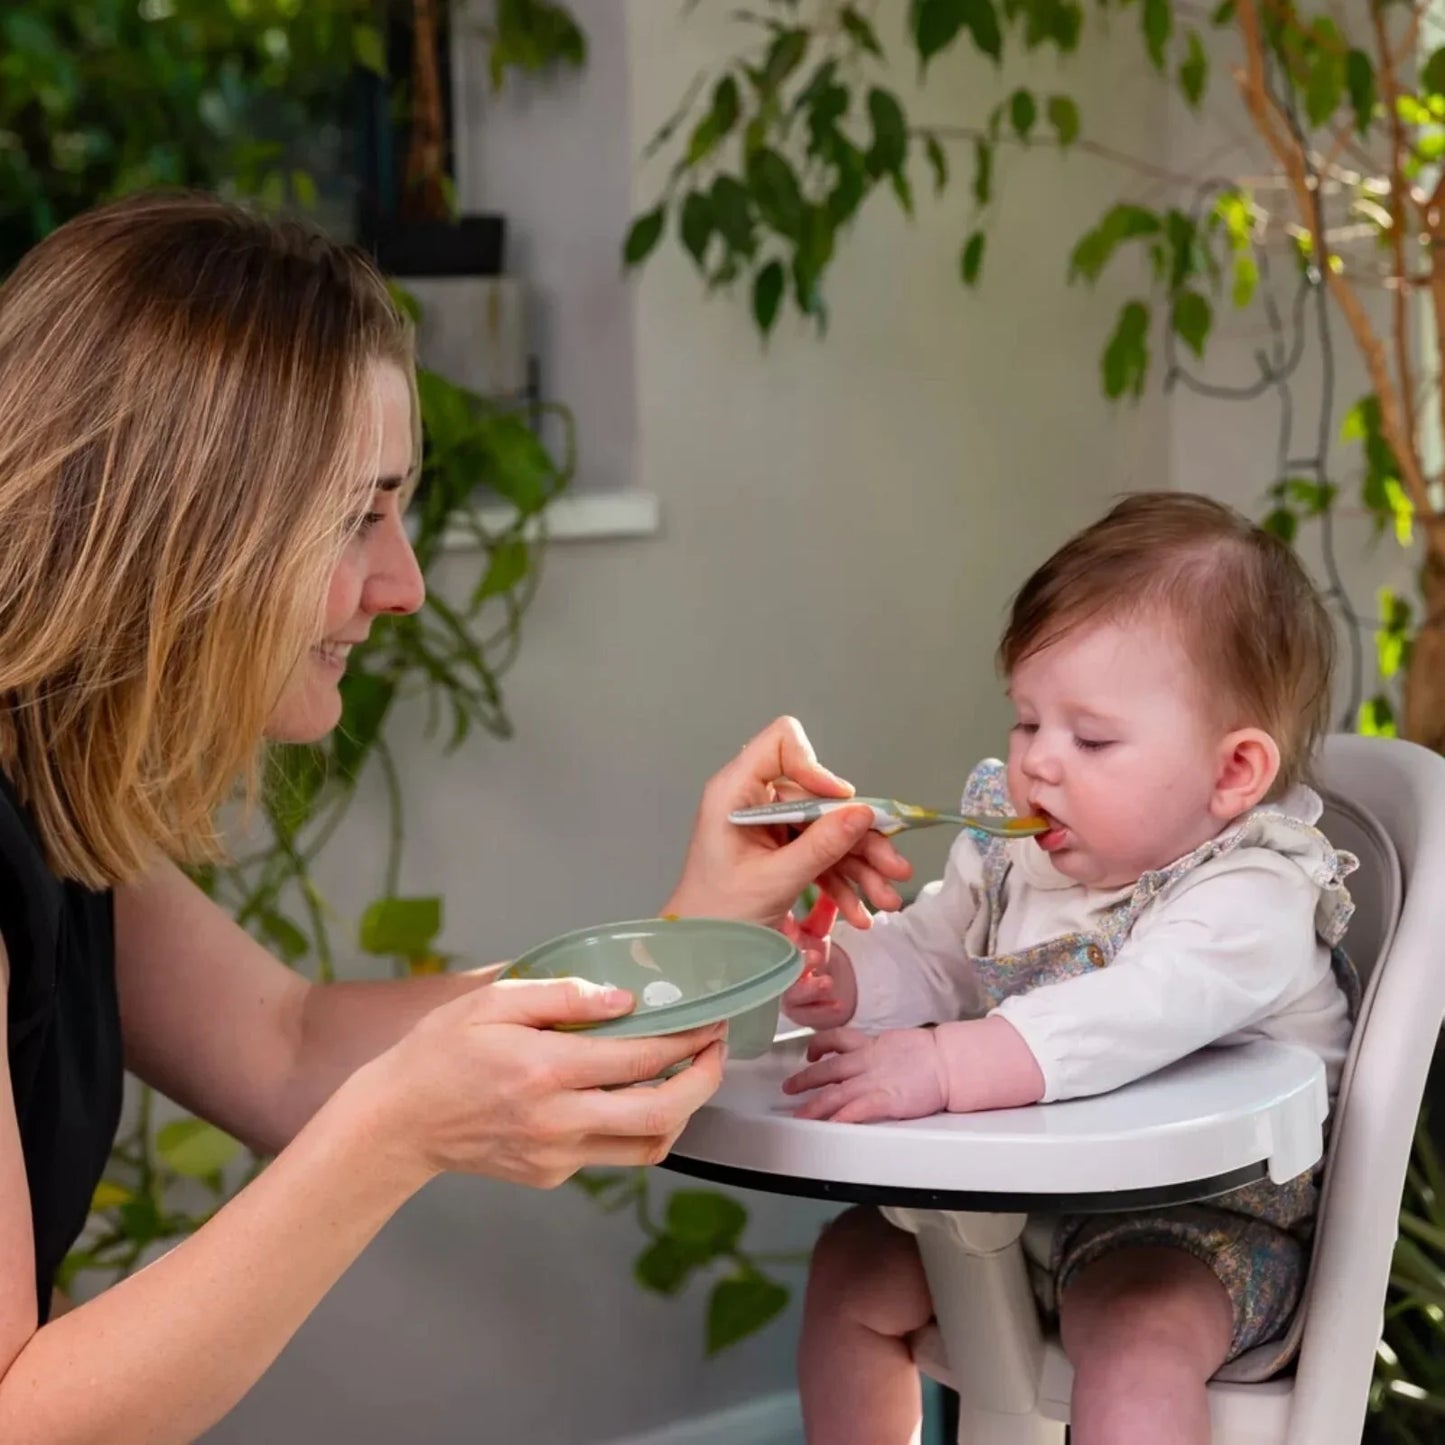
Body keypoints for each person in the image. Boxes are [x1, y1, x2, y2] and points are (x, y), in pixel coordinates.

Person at [0, 192, 913, 1442]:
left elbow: (286, 1044)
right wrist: (395, 1132)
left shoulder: (48, 785)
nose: (405, 583)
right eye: (357, 516)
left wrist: (690, 933)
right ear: (185, 522)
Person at [777, 493, 1358, 1445]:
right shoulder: (1019, 856)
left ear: (1231, 773)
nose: (1038, 764)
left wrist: (941, 1065)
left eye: (1088, 738)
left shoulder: (1254, 893)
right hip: (1016, 1208)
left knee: (1134, 1343)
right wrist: (846, 977)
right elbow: (939, 954)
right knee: (851, 1269)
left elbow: (1129, 1010)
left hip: (1207, 1231)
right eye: (1025, 721)